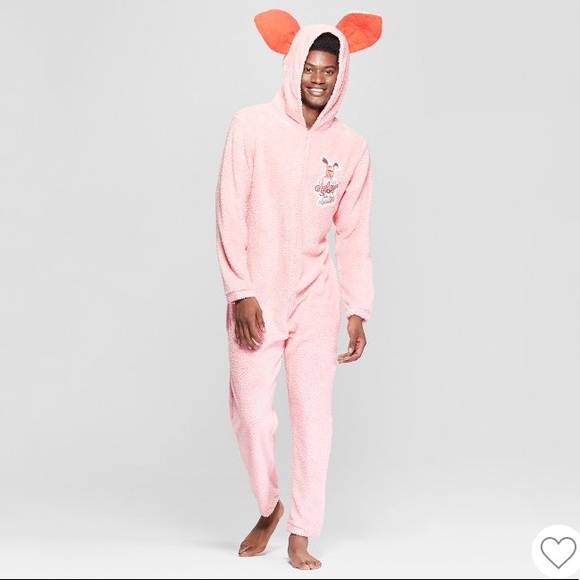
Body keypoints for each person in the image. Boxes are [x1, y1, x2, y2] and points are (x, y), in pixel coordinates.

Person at [215, 8, 382, 570]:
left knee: (314, 418)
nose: (318, 79)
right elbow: (229, 210)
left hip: (316, 297)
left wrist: (357, 308)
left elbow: (353, 233)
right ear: (292, 66)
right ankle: (269, 506)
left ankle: (303, 531)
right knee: (250, 412)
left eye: (329, 70)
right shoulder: (250, 126)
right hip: (257, 296)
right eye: (309, 67)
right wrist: (239, 290)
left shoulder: (351, 148)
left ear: (342, 75)